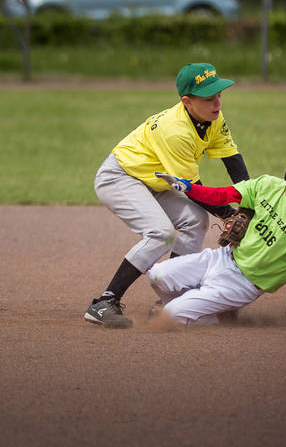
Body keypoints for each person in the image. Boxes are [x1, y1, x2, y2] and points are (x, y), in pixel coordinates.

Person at [85, 63, 249, 328]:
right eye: (209, 98)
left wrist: (249, 202)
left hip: (157, 181)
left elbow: (232, 159)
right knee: (161, 233)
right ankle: (104, 302)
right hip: (120, 178)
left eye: (219, 94)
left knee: (195, 219)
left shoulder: (214, 118)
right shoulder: (176, 131)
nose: (217, 103)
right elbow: (192, 188)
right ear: (187, 102)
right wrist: (229, 213)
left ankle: (170, 299)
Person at [149, 143, 286, 329]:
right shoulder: (268, 185)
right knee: (157, 275)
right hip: (222, 257)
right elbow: (223, 195)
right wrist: (190, 188)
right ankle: (203, 306)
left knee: (171, 315)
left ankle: (218, 316)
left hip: (243, 285)